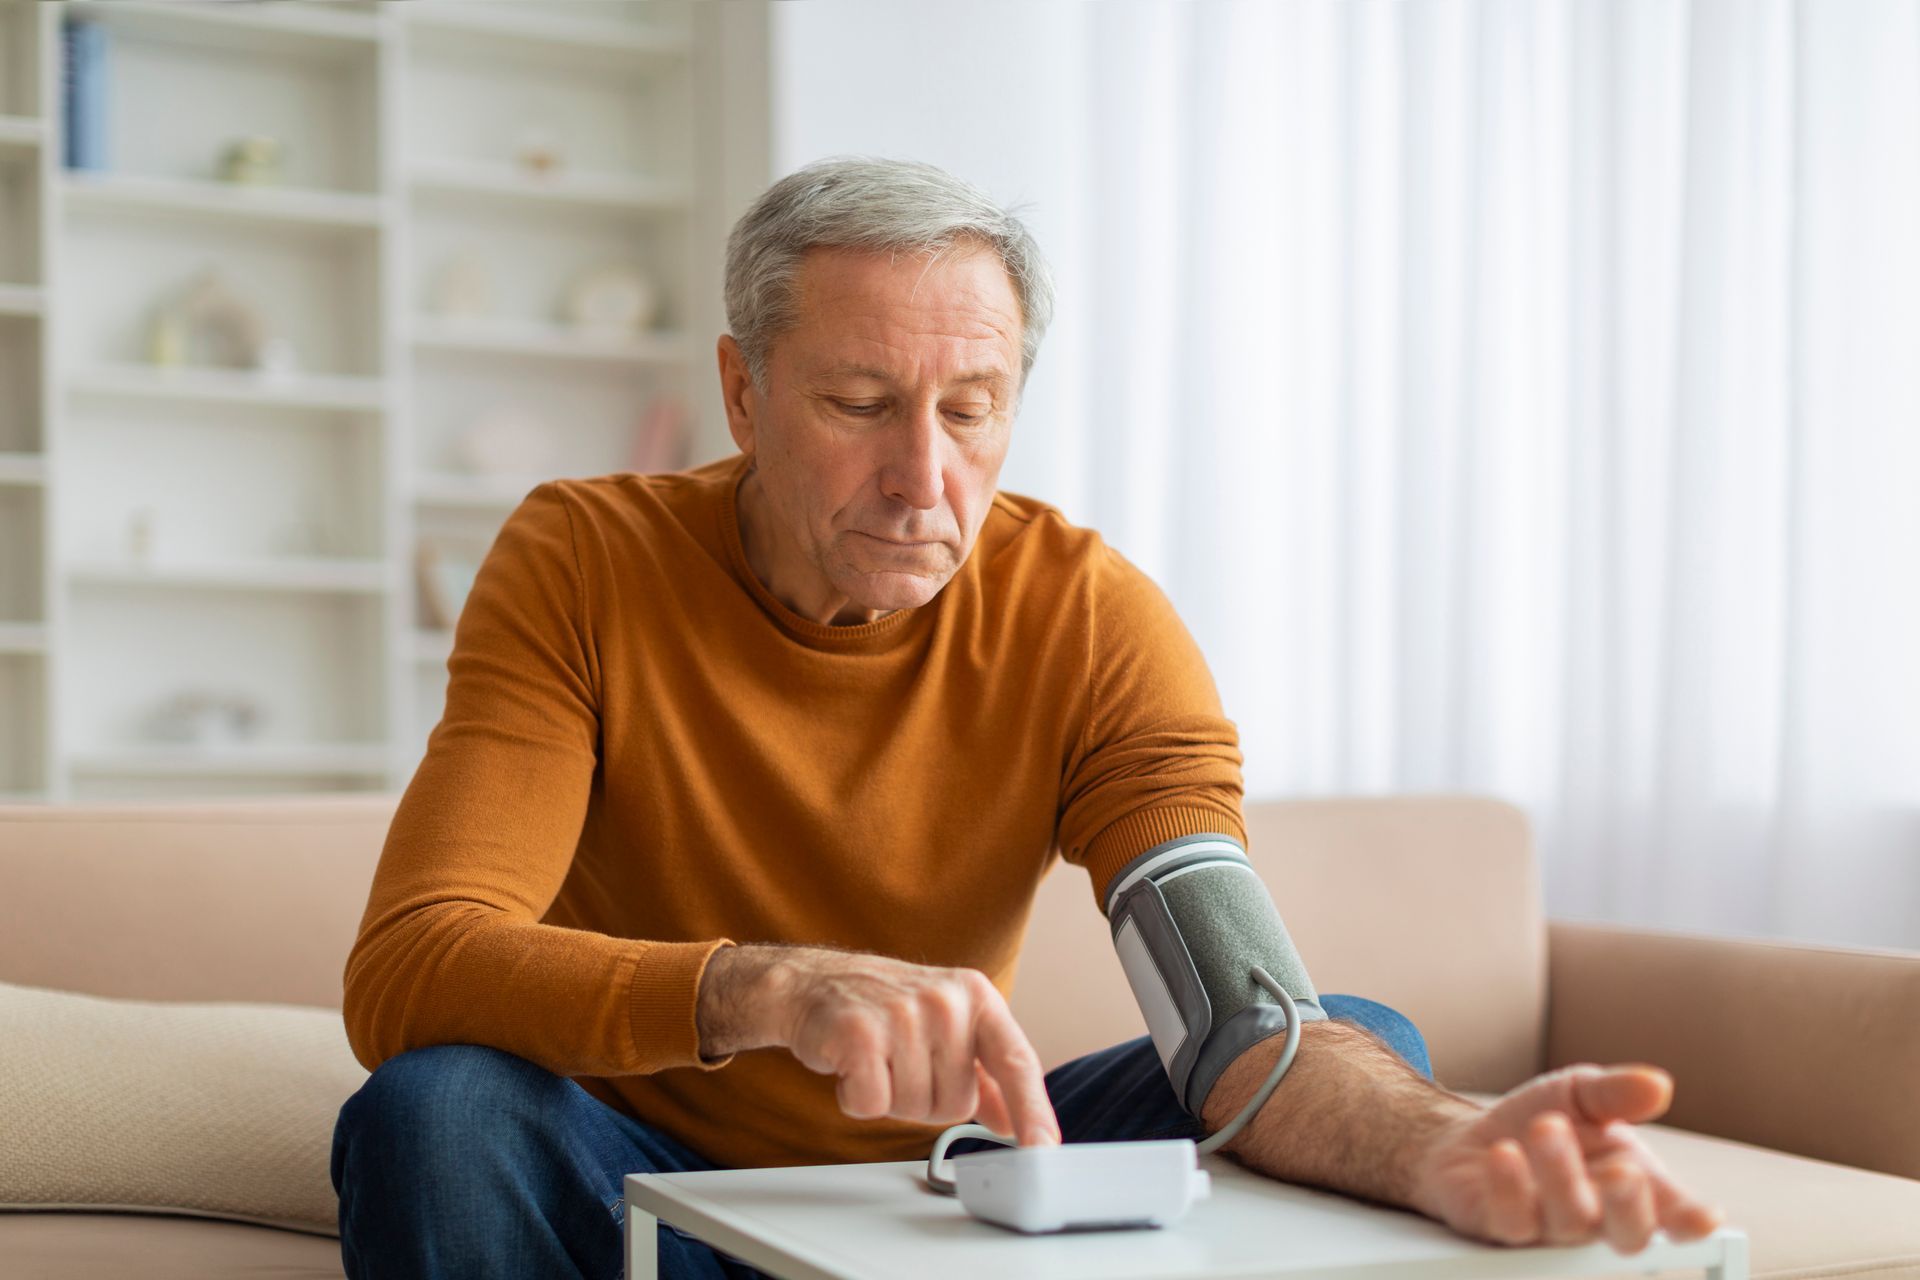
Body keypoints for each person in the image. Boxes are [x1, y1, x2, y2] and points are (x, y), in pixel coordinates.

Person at [331, 157, 1723, 1279]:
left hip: (942, 1205)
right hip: (637, 1177)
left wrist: (1435, 1149)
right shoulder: (587, 559)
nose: (923, 476)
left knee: (1355, 1034)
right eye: (862, 404)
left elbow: (1237, 1012)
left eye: (970, 409)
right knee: (434, 1113)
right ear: (745, 393)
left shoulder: (1090, 616)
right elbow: (414, 968)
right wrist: (771, 987)